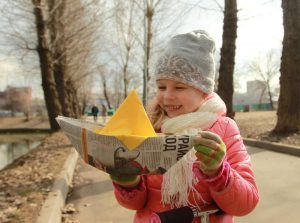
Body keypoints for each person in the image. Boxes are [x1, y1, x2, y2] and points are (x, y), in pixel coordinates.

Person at [110, 30, 259, 223]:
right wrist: (128, 182)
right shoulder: (149, 127)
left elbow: (246, 204)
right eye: (162, 87)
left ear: (204, 92)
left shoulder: (224, 128)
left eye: (179, 87)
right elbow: (136, 204)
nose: (167, 96)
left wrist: (219, 173)